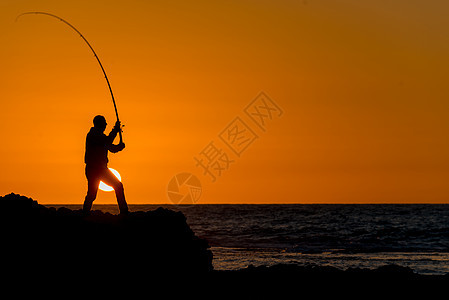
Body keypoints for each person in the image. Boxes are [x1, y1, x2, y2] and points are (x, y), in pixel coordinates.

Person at [83, 115, 128, 214]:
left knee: (116, 186)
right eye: (104, 123)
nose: (106, 124)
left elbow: (111, 148)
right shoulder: (93, 135)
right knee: (92, 194)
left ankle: (124, 212)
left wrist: (119, 147)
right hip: (94, 169)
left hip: (100, 169)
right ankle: (85, 213)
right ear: (100, 124)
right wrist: (115, 130)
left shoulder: (99, 135)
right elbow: (107, 141)